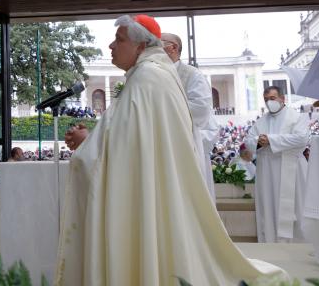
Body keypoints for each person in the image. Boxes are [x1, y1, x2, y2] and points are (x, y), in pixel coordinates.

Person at [57, 14, 283, 285]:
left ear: (140, 46)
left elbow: (127, 143)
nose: (110, 46)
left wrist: (88, 143)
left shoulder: (147, 77)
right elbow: (131, 135)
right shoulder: (151, 74)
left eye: (119, 40)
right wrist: (93, 138)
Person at [244, 85, 310, 242]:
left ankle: (299, 244)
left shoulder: (296, 117)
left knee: (296, 207)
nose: (269, 102)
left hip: (292, 170)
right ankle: (271, 243)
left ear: (282, 98)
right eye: (266, 100)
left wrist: (271, 140)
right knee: (269, 207)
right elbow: (248, 141)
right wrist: (259, 142)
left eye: (272, 99)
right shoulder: (261, 121)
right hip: (267, 172)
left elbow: (302, 139)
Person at [161, 32, 217, 198]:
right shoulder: (155, 73)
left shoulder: (192, 75)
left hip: (186, 148)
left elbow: (200, 108)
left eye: (158, 44)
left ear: (173, 48)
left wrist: (161, 107)